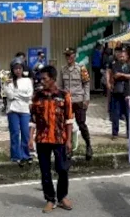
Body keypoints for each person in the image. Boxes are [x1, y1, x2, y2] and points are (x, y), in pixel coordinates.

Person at [31, 65, 74, 213]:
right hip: (42, 139)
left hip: (59, 139)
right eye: (41, 78)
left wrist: (68, 140)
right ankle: (50, 199)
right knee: (45, 171)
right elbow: (33, 119)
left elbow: (69, 120)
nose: (42, 81)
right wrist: (30, 139)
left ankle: (62, 197)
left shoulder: (64, 95)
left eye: (45, 78)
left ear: (53, 79)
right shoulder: (37, 96)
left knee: (62, 169)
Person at [59, 47, 93, 160]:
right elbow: (60, 86)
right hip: (67, 101)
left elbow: (87, 84)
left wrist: (86, 99)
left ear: (74, 56)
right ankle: (68, 148)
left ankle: (88, 145)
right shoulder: (63, 69)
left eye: (70, 55)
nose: (68, 58)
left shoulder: (81, 68)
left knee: (81, 124)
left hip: (78, 100)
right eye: (66, 56)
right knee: (66, 125)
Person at [5, 58, 34, 165]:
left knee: (26, 133)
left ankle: (26, 155)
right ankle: (16, 156)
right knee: (15, 133)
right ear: (12, 70)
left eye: (20, 68)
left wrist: (16, 94)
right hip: (13, 110)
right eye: (15, 68)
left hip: (25, 110)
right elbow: (9, 95)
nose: (18, 70)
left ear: (23, 69)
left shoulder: (27, 81)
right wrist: (18, 94)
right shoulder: (9, 81)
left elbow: (29, 95)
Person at [106, 49, 130, 139]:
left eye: (123, 56)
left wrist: (122, 75)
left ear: (127, 57)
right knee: (115, 113)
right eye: (120, 56)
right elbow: (115, 74)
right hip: (116, 91)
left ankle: (129, 133)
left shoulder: (129, 66)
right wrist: (124, 75)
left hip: (127, 92)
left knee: (128, 114)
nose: (121, 57)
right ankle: (115, 133)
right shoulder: (115, 64)